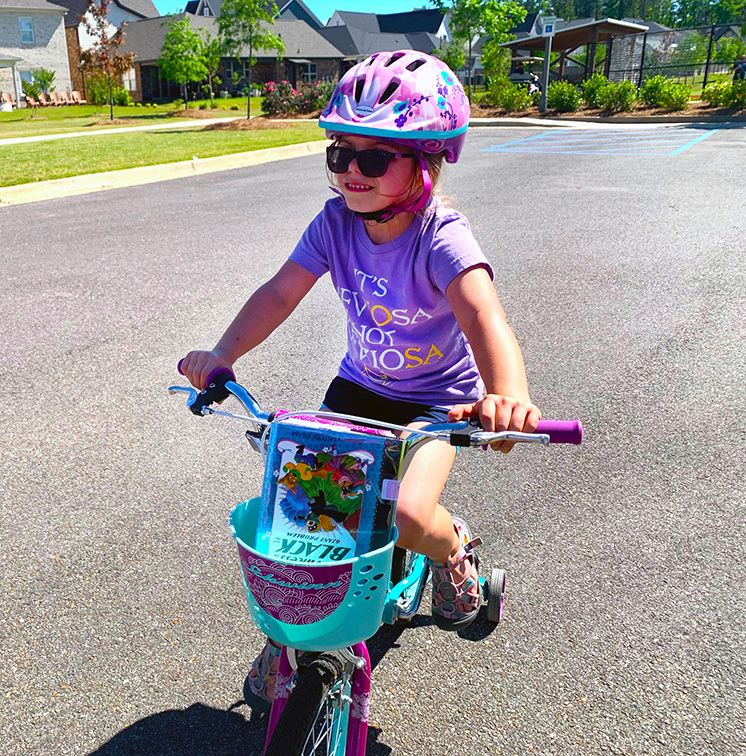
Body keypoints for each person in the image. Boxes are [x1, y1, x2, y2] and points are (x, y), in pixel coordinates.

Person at [178, 50, 541, 712]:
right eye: (340, 153)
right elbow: (280, 292)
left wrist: (507, 396)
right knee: (306, 511)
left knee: (406, 515)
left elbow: (484, 316)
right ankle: (294, 635)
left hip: (439, 401)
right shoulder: (334, 224)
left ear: (426, 161)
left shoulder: (441, 236)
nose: (351, 170)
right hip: (358, 389)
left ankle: (451, 550)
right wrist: (222, 353)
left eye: (374, 158)